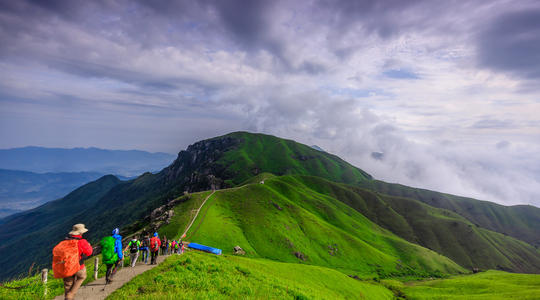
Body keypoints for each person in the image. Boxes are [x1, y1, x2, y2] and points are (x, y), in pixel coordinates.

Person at [59, 224, 93, 300]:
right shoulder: (82, 241)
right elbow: (89, 252)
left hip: (67, 266)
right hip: (78, 266)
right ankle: (71, 294)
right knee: (82, 277)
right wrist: (89, 246)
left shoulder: (65, 241)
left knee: (68, 284)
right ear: (80, 233)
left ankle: (68, 297)